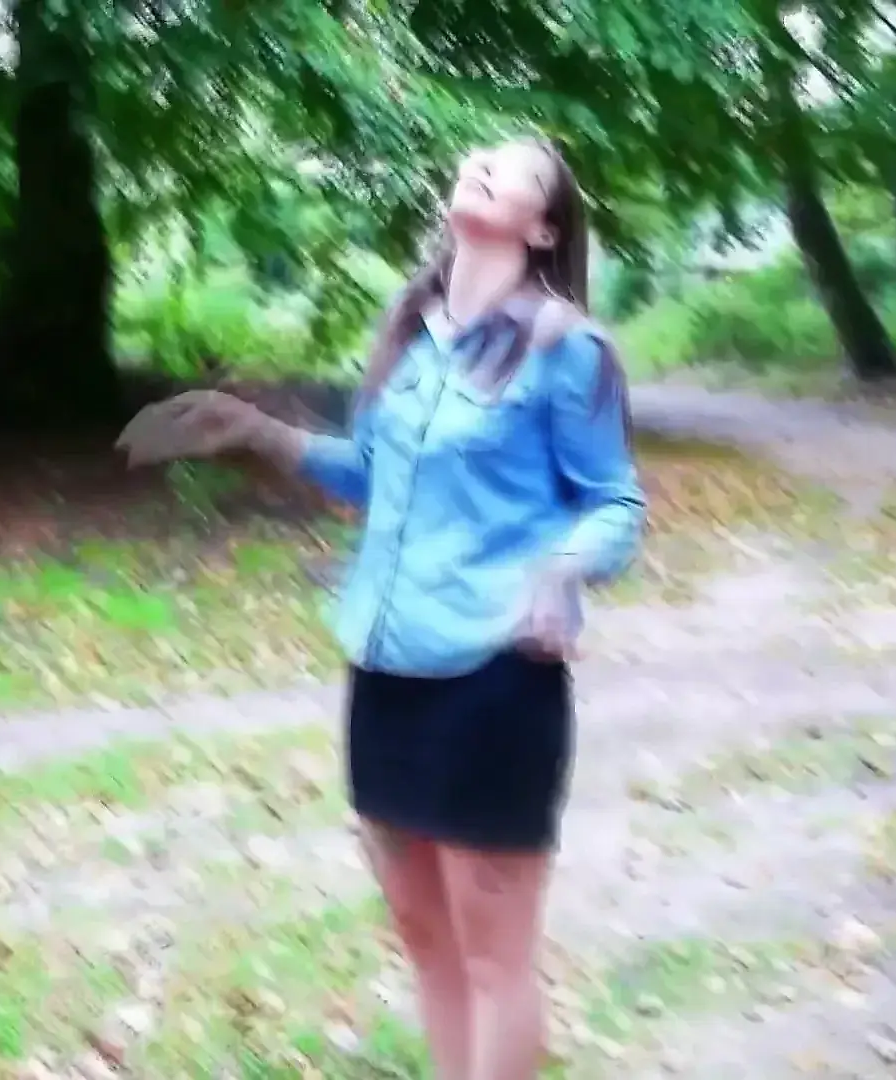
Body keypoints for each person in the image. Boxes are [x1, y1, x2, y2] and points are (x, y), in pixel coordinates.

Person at [116, 135, 646, 1080]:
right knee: (425, 941)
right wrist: (253, 431)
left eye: (513, 168)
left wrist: (563, 569)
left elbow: (616, 504)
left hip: (494, 679)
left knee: (494, 958)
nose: (483, 163)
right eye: (478, 156)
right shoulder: (410, 331)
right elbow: (370, 473)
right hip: (384, 671)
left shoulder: (567, 349)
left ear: (543, 227)